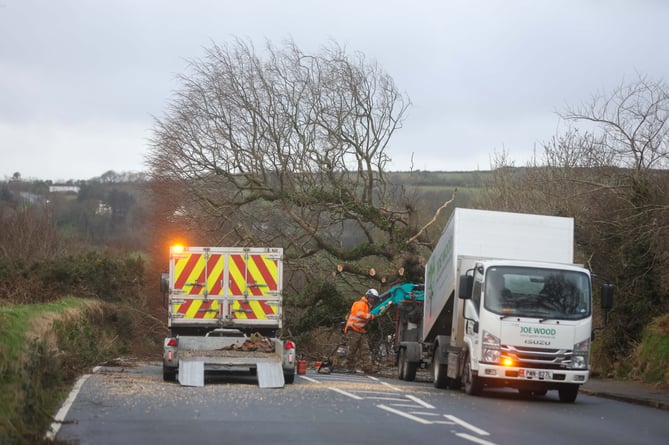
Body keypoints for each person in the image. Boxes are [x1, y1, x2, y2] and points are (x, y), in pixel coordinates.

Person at [342, 288, 378, 373]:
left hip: (360, 330)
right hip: (353, 329)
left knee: (365, 349)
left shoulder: (368, 306)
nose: (372, 300)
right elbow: (358, 313)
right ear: (367, 296)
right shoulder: (360, 304)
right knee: (351, 349)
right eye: (371, 297)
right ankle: (345, 365)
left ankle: (367, 367)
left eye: (374, 298)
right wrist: (370, 316)